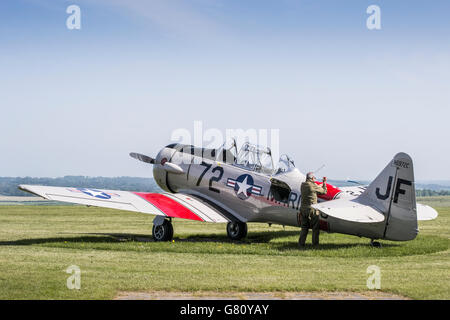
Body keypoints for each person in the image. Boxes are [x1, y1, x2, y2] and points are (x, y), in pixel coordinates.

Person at [298, 172, 327, 249]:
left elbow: (312, 187)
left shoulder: (303, 185)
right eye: (314, 178)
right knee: (315, 228)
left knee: (304, 228)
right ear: (312, 178)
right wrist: (324, 183)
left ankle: (301, 244)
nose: (315, 179)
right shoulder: (313, 186)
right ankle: (315, 245)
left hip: (303, 209)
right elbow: (324, 191)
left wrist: (317, 185)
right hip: (312, 210)